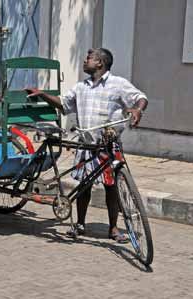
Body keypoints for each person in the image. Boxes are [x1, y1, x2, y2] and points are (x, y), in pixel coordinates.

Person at [25, 48, 148, 242]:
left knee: (112, 187)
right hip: (86, 145)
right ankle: (80, 224)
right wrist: (43, 94)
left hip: (108, 143)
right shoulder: (81, 87)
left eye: (89, 58)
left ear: (100, 63)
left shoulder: (118, 84)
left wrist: (137, 110)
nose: (85, 61)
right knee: (84, 185)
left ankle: (113, 228)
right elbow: (64, 104)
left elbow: (140, 97)